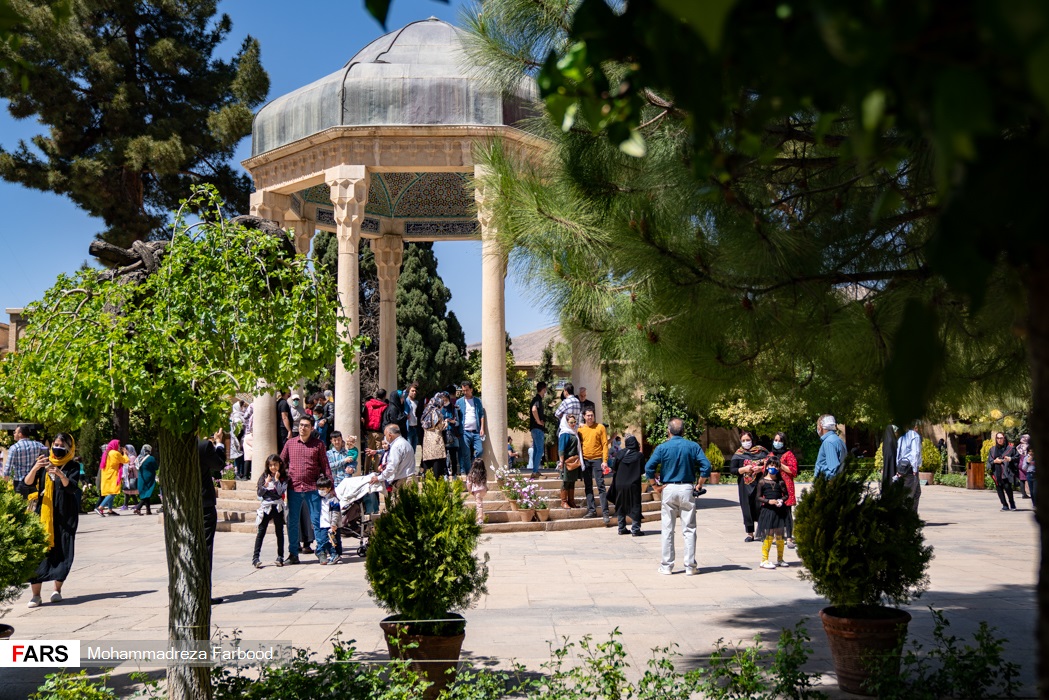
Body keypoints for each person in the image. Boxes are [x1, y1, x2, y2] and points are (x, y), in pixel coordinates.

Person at [19, 433, 82, 608]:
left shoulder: (73, 465)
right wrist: (35, 468)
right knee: (38, 553)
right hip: (42, 514)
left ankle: (57, 590)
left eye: (62, 446)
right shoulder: (43, 462)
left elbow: (72, 488)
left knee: (63, 550)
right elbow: (26, 484)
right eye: (56, 444)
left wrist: (61, 474)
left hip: (64, 514)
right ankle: (36, 595)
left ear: (69, 448)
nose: (58, 448)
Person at [645, 417, 711, 575]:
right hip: (687, 487)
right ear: (684, 431)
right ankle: (690, 566)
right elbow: (706, 466)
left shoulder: (662, 447)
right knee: (689, 528)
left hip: (668, 488)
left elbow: (649, 467)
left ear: (668, 431)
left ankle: (667, 565)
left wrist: (655, 486)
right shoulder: (692, 446)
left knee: (667, 528)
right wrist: (700, 483)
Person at [280, 416, 333, 564]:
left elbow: (325, 466)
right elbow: (280, 462)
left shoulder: (319, 445)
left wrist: (331, 487)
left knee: (317, 521)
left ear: (312, 428)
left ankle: (321, 551)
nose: (303, 428)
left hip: (312, 488)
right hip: (294, 488)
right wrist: (278, 479)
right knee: (293, 522)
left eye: (306, 426)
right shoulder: (290, 444)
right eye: (301, 425)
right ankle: (293, 554)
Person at [197, 436, 224, 604]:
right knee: (205, 549)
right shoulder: (203, 446)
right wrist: (219, 444)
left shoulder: (175, 445)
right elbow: (219, 464)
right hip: (204, 504)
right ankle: (203, 593)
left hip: (185, 505)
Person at [729, 431, 768, 542]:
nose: (746, 442)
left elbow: (771, 463)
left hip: (760, 484)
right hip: (744, 485)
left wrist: (760, 468)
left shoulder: (761, 451)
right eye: (743, 440)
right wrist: (744, 469)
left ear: (752, 440)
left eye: (748, 440)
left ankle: (762, 532)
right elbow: (732, 470)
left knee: (761, 506)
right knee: (747, 508)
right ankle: (750, 533)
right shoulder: (738, 454)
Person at [252, 454, 288, 568]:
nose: (273, 467)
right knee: (261, 532)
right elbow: (259, 493)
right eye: (271, 465)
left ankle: (280, 556)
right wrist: (266, 484)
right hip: (266, 507)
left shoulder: (283, 477)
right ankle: (255, 557)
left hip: (277, 507)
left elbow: (280, 492)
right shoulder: (264, 476)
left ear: (279, 464)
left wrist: (276, 481)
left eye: (275, 464)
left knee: (279, 532)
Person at [578, 409, 611, 523]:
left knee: (601, 486)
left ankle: (605, 513)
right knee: (588, 486)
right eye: (588, 415)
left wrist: (605, 460)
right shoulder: (580, 429)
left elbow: (605, 444)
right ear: (584, 416)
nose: (590, 417)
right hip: (585, 460)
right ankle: (592, 510)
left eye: (592, 415)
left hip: (597, 460)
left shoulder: (600, 427)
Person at [756, 457, 790, 570]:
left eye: (776, 466)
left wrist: (781, 500)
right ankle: (764, 559)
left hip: (779, 510)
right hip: (768, 511)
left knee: (780, 534)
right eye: (771, 465)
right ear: (767, 467)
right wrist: (768, 501)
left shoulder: (780, 482)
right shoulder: (762, 482)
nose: (773, 468)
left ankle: (780, 559)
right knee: (769, 534)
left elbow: (786, 495)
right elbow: (758, 497)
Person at [608, 435, 644, 536]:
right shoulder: (639, 456)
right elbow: (642, 470)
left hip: (619, 484)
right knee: (635, 505)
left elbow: (614, 467)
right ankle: (636, 529)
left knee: (620, 505)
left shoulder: (620, 454)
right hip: (633, 485)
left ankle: (621, 528)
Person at [769, 432, 799, 548]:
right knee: (775, 511)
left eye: (780, 441)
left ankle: (789, 537)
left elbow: (794, 471)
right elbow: (765, 468)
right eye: (775, 440)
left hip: (786, 486)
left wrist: (780, 464)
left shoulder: (789, 454)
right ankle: (777, 536)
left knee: (787, 513)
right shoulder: (771, 454)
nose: (777, 443)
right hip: (773, 486)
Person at [370, 424, 416, 493]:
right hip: (410, 478)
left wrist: (379, 478)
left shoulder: (396, 446)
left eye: (385, 435)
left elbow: (392, 467)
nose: (385, 438)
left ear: (390, 435)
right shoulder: (405, 443)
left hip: (403, 482)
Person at [456, 381, 487, 476]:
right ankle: (469, 473)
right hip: (464, 431)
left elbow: (482, 415)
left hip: (476, 431)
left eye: (467, 390)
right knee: (465, 454)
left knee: (480, 451)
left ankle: (473, 466)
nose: (465, 392)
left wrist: (482, 428)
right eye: (463, 390)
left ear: (471, 389)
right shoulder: (459, 402)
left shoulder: (477, 401)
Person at [987, 431, 1018, 511]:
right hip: (996, 473)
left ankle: (1012, 503)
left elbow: (1017, 457)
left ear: (1004, 438)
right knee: (999, 488)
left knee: (1008, 488)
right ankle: (1004, 505)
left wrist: (1010, 459)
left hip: (1006, 472)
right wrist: (994, 461)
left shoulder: (1010, 448)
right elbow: (990, 460)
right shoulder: (993, 449)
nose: (999, 440)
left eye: (1001, 438)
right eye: (998, 438)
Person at [421, 393, 450, 477]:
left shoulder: (426, 411)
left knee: (428, 466)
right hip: (436, 441)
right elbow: (440, 426)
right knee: (437, 466)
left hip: (427, 441)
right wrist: (446, 423)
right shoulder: (436, 412)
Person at [895, 421, 922, 510]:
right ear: (915, 426)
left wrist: (898, 468)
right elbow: (915, 453)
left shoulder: (902, 436)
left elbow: (898, 452)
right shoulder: (914, 435)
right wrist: (914, 469)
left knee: (917, 492)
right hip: (911, 468)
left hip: (903, 467)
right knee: (909, 494)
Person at [97, 440, 127, 516]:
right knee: (113, 492)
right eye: (119, 445)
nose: (119, 447)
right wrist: (125, 453)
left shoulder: (106, 453)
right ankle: (100, 507)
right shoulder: (115, 453)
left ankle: (110, 510)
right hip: (113, 475)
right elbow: (125, 460)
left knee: (110, 492)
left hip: (106, 475)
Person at [558, 415, 582, 509]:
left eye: (574, 422)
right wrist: (561, 461)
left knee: (572, 481)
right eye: (571, 422)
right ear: (566, 423)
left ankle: (571, 501)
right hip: (567, 461)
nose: (573, 424)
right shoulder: (565, 433)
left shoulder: (573, 433)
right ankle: (563, 501)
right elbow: (561, 448)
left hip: (574, 460)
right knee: (566, 481)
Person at [316, 475, 341, 565]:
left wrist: (334, 524)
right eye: (320, 488)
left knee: (330, 541)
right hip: (322, 524)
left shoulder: (333, 500)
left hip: (329, 525)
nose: (321, 491)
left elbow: (335, 513)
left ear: (329, 488)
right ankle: (334, 554)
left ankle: (334, 554)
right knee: (324, 540)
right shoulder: (319, 499)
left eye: (323, 488)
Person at [362, 389, 389, 473]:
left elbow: (364, 416)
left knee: (368, 452)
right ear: (385, 396)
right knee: (378, 452)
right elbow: (385, 419)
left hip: (369, 431)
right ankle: (377, 471)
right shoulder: (385, 406)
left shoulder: (368, 404)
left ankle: (366, 472)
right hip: (379, 432)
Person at [814, 415, 846, 479]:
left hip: (826, 485)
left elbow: (833, 471)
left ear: (820, 426)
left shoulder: (828, 442)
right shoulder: (838, 440)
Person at [529, 381, 548, 479]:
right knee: (540, 450)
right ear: (543, 389)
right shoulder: (537, 399)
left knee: (536, 450)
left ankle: (535, 471)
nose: (545, 392)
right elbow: (534, 409)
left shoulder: (536, 399)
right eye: (545, 390)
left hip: (534, 429)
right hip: (537, 428)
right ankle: (535, 472)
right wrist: (539, 422)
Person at [132, 444, 158, 516]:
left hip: (141, 478)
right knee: (147, 493)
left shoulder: (138, 458)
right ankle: (138, 508)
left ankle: (148, 510)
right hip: (148, 478)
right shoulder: (150, 458)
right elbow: (156, 467)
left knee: (145, 493)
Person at [441, 391, 461, 477]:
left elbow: (458, 423)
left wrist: (452, 421)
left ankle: (454, 474)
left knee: (453, 456)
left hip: (452, 434)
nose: (445, 402)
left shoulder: (453, 408)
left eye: (446, 400)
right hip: (443, 434)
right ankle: (445, 473)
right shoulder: (440, 408)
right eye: (443, 400)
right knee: (444, 456)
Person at [466, 457, 488, 525]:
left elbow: (468, 484)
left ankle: (480, 519)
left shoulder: (472, 474)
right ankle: (479, 517)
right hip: (483, 489)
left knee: (479, 505)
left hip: (477, 490)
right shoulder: (483, 473)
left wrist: (470, 491)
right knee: (480, 502)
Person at [120, 444, 139, 511]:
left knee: (128, 491)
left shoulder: (132, 457)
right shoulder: (129, 456)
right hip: (128, 476)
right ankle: (136, 504)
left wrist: (127, 468)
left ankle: (125, 505)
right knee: (129, 491)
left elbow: (133, 466)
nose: (125, 451)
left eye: (126, 449)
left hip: (131, 476)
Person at [404, 383, 421, 452]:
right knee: (408, 448)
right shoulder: (406, 401)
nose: (414, 392)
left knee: (414, 449)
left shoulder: (416, 402)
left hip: (415, 427)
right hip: (409, 428)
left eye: (415, 391)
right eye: (412, 391)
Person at [1017, 434, 1032, 499]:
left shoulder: (1018, 446)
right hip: (1026, 462)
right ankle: (1032, 492)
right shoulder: (1028, 446)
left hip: (1020, 462)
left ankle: (1023, 494)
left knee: (1022, 479)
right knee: (1030, 478)